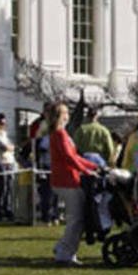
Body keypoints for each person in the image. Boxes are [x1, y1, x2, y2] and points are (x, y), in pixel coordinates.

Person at [49, 103, 99, 265]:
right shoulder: (60, 134)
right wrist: (87, 171)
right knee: (76, 219)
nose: (68, 115)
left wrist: (94, 166)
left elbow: (74, 156)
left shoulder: (61, 134)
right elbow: (69, 158)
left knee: (77, 218)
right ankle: (65, 252)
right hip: (67, 181)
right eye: (66, 113)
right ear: (61, 116)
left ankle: (64, 248)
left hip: (66, 180)